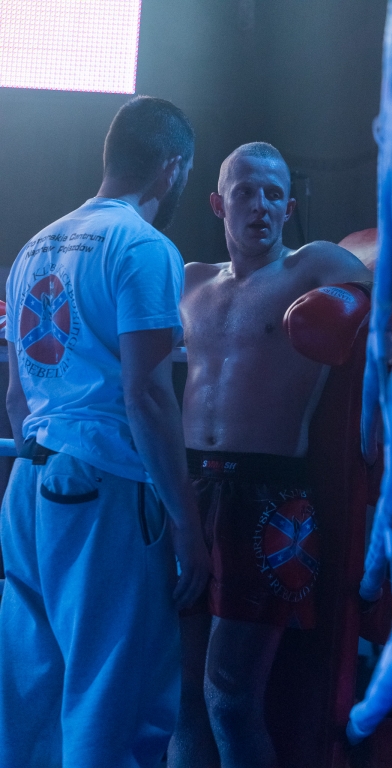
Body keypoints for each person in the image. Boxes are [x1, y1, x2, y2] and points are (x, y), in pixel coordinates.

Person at [0, 96, 210, 768]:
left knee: (33, 697)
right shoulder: (143, 247)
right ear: (172, 167)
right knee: (111, 696)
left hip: (28, 485)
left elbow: (15, 396)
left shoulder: (35, 247)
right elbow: (147, 396)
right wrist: (185, 524)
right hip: (103, 486)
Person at [170, 142, 371, 768]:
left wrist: (354, 303)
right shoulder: (190, 281)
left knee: (230, 698)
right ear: (218, 204)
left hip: (268, 495)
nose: (260, 205)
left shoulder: (314, 266)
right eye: (245, 192)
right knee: (182, 698)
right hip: (188, 489)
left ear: (288, 208)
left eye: (274, 194)